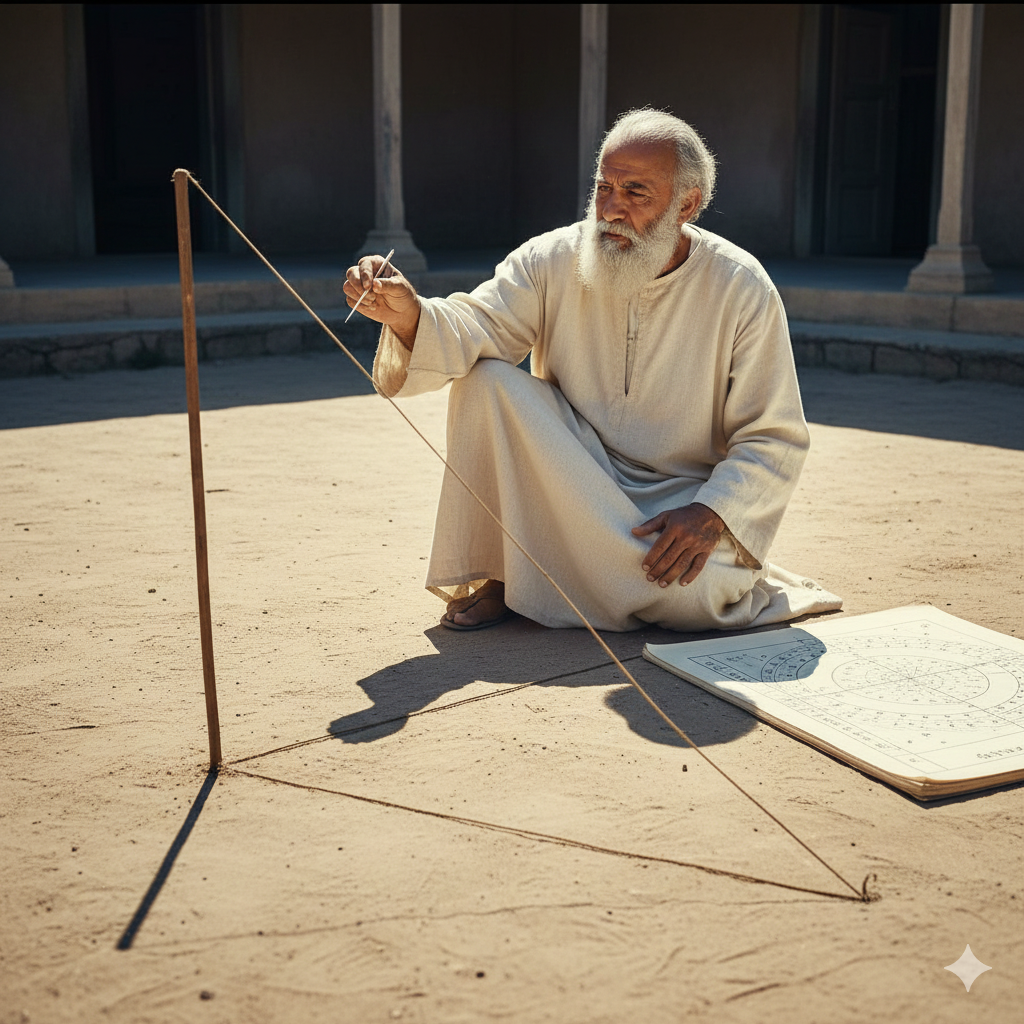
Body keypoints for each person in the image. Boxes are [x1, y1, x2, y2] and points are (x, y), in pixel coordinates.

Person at [344, 109, 841, 633]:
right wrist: (410, 314)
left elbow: (773, 436)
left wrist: (713, 513)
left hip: (677, 502)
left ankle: (540, 575)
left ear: (687, 205)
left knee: (704, 594)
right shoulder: (553, 258)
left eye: (636, 193)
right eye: (604, 187)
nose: (612, 209)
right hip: (569, 479)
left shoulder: (742, 288)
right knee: (483, 382)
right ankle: (503, 575)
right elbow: (477, 323)